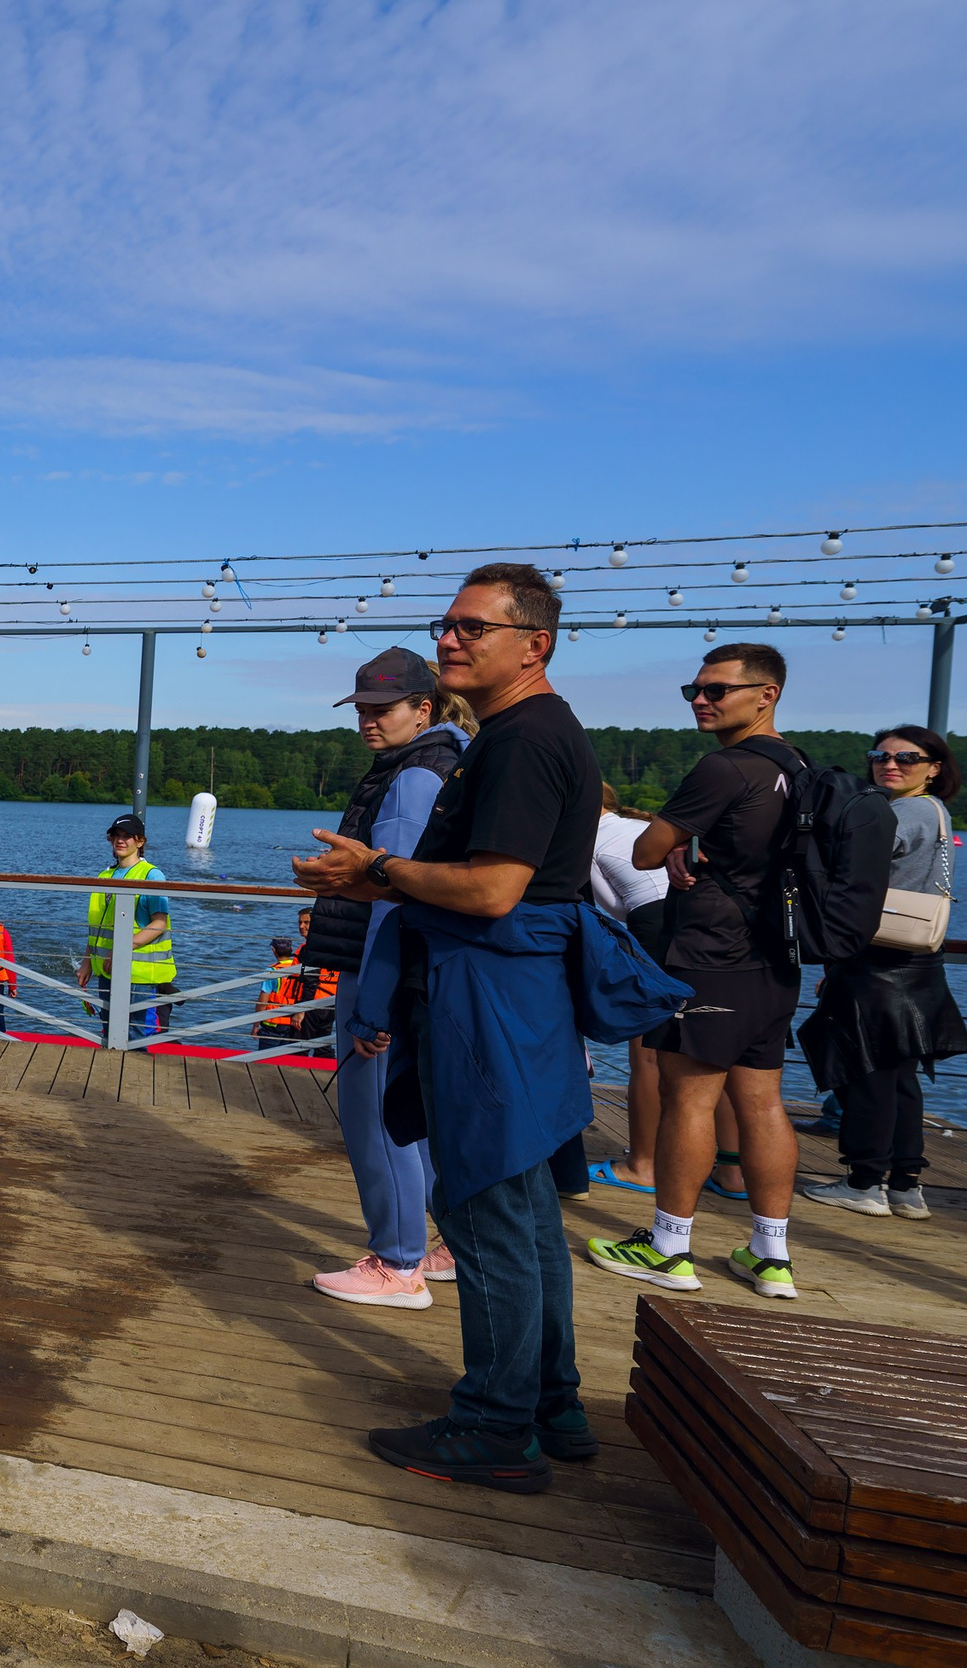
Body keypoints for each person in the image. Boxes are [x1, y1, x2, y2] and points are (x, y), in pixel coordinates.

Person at [295, 563, 607, 1494]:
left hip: (487, 999)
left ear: (533, 643)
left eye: (473, 627)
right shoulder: (538, 733)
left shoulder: (517, 742)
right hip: (524, 1000)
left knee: (486, 1215)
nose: (450, 641)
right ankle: (553, 1401)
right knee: (529, 1214)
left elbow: (493, 888)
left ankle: (494, 1425)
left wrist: (376, 873)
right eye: (448, 625)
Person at [587, 644, 806, 1302]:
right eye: (694, 688)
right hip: (776, 956)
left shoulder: (725, 767)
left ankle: (667, 1246)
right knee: (763, 1101)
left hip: (711, 954)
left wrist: (679, 837)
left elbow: (649, 847)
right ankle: (771, 1254)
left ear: (765, 694)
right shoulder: (799, 766)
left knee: (691, 1099)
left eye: (717, 689)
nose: (700, 700)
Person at [299, 649, 467, 1308]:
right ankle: (441, 1243)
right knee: (412, 1119)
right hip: (411, 971)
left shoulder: (413, 778)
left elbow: (391, 892)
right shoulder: (437, 763)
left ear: (422, 708)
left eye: (382, 709)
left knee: (376, 1120)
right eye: (363, 709)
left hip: (382, 974)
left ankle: (398, 1263)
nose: (368, 721)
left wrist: (374, 1001)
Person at [798, 726, 967, 1220]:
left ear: (935, 767)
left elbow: (844, 866)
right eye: (880, 756)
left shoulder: (900, 812)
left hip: (877, 957)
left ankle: (864, 1180)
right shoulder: (936, 813)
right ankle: (905, 1185)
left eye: (907, 758)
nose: (889, 764)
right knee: (899, 1072)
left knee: (865, 1066)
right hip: (917, 961)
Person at [585, 782, 747, 1200]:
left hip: (656, 926)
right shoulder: (632, 827)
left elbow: (612, 909)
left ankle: (642, 1164)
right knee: (713, 1054)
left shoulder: (589, 841)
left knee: (647, 1056)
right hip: (706, 924)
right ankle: (732, 1171)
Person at [85, 815, 175, 1041]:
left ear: (140, 842)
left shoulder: (151, 875)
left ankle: (135, 1076)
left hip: (138, 972)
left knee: (134, 1034)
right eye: (116, 836)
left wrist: (122, 949)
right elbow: (96, 928)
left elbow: (159, 923)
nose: (120, 841)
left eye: (127, 837)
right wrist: (86, 961)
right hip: (106, 968)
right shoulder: (105, 876)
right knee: (108, 1031)